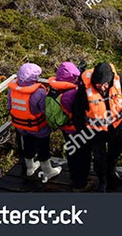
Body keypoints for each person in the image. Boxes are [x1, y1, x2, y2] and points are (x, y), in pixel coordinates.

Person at [73, 62, 122, 192]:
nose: (102, 87)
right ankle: (102, 181)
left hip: (116, 127)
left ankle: (112, 174)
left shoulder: (120, 80)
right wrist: (81, 131)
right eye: (98, 85)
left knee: (115, 151)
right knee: (99, 157)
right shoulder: (85, 88)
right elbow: (77, 111)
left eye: (105, 84)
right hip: (95, 132)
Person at [8, 63, 61, 182]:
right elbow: (45, 110)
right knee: (43, 148)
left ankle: (30, 168)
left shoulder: (12, 91)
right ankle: (47, 171)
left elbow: (9, 106)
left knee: (28, 145)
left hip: (21, 127)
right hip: (39, 128)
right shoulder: (39, 93)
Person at [47, 61, 93, 192]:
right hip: (76, 129)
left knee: (72, 152)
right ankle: (80, 184)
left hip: (65, 129)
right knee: (82, 155)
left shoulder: (55, 88)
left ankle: (75, 177)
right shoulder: (72, 94)